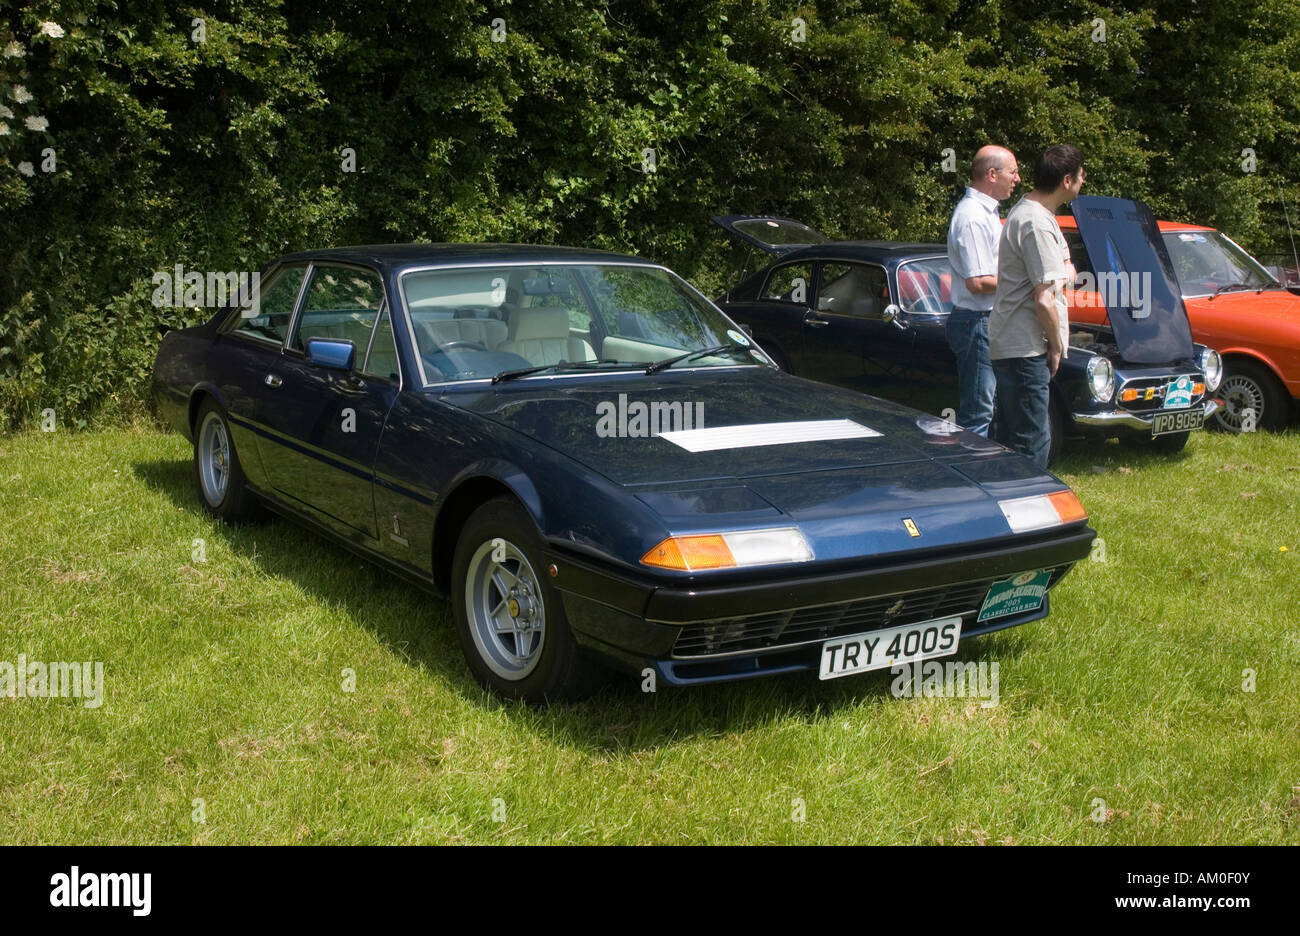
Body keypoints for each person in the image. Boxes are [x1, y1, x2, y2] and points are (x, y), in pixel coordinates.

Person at [989, 144, 1085, 467]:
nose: (1083, 181)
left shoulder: (1036, 214)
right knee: (1031, 444)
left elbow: (1062, 269)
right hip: (1025, 349)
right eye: (1081, 176)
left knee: (1010, 441)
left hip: (1013, 345)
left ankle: (1006, 508)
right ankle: (1028, 511)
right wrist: (1056, 345)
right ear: (1067, 180)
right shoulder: (1036, 222)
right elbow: (1044, 298)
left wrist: (1065, 272)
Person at [945, 146, 1020, 437]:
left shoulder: (985, 212)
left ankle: (989, 472)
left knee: (989, 409)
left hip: (986, 321)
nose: (1017, 178)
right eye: (1013, 172)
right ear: (992, 174)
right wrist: (1023, 282)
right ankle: (973, 475)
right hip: (977, 321)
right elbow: (977, 282)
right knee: (978, 413)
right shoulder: (973, 216)